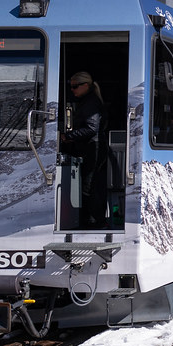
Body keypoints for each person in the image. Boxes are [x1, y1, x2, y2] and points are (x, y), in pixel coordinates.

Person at [60, 71, 108, 228]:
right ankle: (93, 219)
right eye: (70, 86)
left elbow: (91, 128)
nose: (72, 90)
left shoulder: (90, 103)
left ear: (85, 85)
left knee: (89, 185)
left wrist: (68, 136)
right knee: (93, 184)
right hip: (93, 147)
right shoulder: (90, 101)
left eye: (75, 86)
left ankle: (92, 221)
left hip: (92, 148)